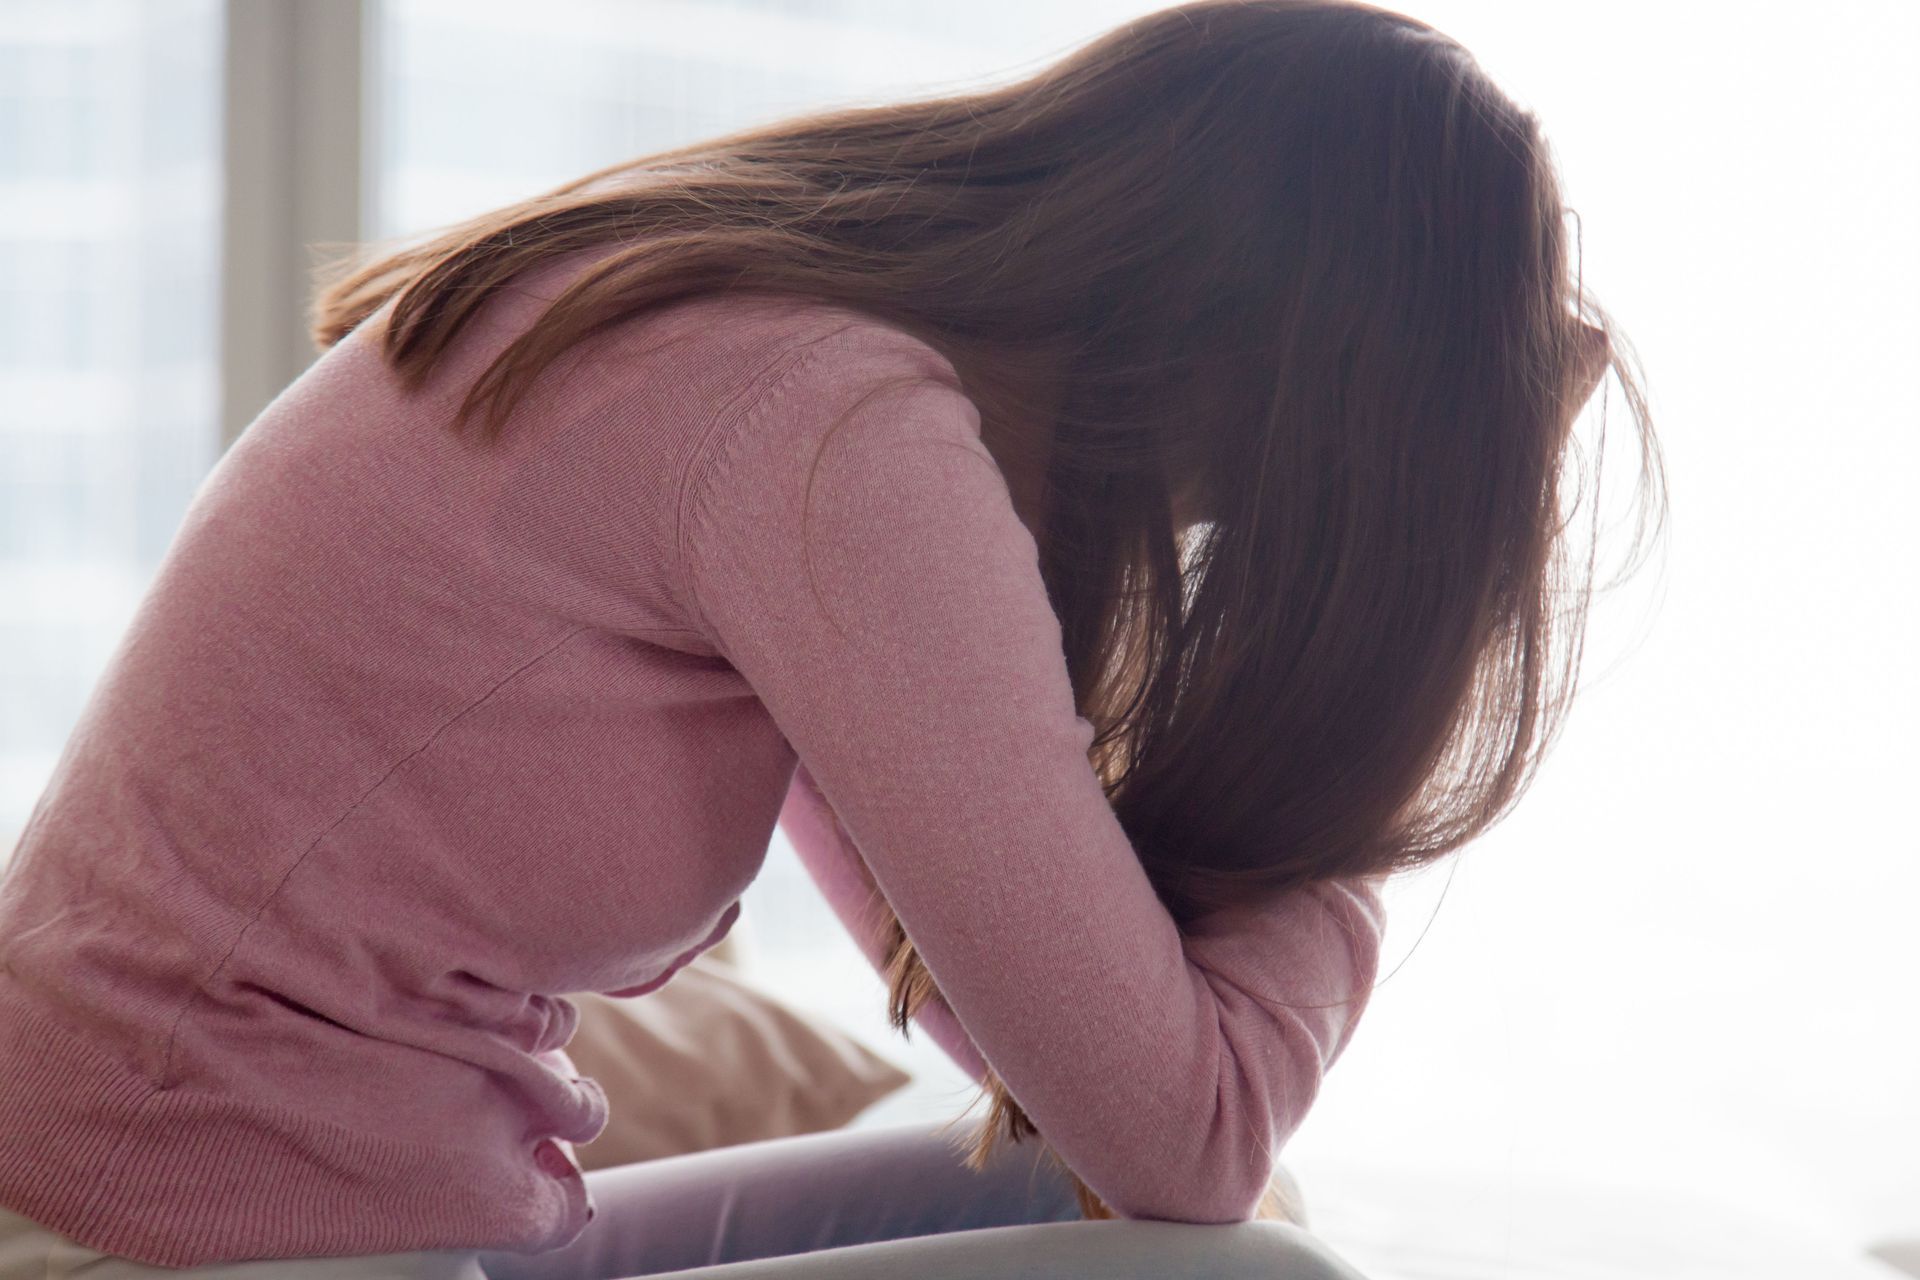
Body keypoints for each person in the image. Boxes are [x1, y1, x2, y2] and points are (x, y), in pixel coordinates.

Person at [0, 0, 1663, 1275]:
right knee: (1253, 1259)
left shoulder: (773, 355)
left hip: (239, 1195)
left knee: (1176, 1224)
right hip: (189, 1237)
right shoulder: (834, 435)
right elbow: (1190, 1137)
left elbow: (1019, 1029)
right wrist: (1383, 718)